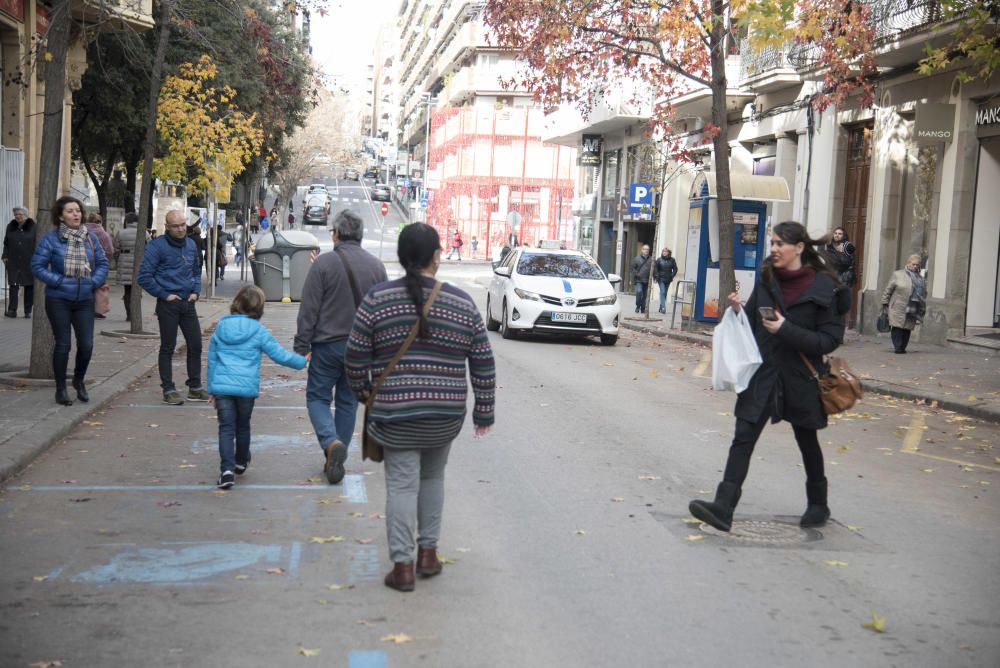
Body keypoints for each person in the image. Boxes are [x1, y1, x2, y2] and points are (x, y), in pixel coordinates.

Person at [346, 223, 496, 592]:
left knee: (401, 485)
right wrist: (484, 412)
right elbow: (483, 360)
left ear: (401, 257)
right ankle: (428, 553)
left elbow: (353, 356)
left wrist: (366, 394)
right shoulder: (462, 303)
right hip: (444, 415)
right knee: (433, 477)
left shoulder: (378, 300)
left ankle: (403, 567)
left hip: (395, 414)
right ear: (436, 257)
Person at [689, 221, 845, 532]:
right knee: (743, 437)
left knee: (807, 439)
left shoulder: (825, 288)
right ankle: (723, 507)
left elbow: (829, 341)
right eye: (772, 243)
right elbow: (750, 322)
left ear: (799, 248)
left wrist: (787, 330)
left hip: (801, 377)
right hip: (764, 373)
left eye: (779, 244)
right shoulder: (766, 279)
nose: (773, 249)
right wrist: (736, 311)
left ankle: (818, 504)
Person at [295, 210, 387, 484]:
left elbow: (309, 308)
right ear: (359, 235)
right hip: (361, 349)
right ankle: (337, 456)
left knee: (318, 398)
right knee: (348, 402)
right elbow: (383, 312)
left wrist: (302, 345)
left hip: (327, 346)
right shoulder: (376, 267)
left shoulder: (323, 264)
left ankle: (330, 442)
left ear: (336, 234)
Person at [208, 285, 307, 489]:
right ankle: (241, 461)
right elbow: (279, 355)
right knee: (243, 426)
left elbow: (212, 361)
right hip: (246, 389)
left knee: (226, 429)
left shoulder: (221, 328)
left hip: (223, 388)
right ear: (259, 308)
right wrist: (302, 361)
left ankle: (226, 471)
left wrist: (212, 389)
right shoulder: (259, 331)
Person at [30, 196, 108, 406]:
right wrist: (57, 281)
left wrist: (93, 282)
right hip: (59, 299)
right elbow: (37, 266)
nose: (76, 214)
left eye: (78, 210)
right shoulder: (51, 239)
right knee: (63, 344)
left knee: (87, 345)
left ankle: (79, 380)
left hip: (84, 299)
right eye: (70, 211)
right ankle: (61, 388)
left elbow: (102, 263)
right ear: (60, 216)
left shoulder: (90, 238)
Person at [138, 209, 210, 405]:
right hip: (168, 304)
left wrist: (196, 291)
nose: (180, 229)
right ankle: (168, 389)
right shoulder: (156, 246)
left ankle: (195, 387)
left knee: (195, 344)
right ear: (167, 227)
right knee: (168, 347)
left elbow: (196, 271)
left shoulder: (191, 244)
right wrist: (165, 295)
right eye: (176, 226)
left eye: (183, 225)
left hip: (188, 303)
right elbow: (144, 277)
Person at [880, 254, 925, 354]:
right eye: (913, 264)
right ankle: (898, 347)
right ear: (908, 263)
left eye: (917, 265)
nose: (915, 267)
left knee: (907, 327)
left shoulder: (920, 279)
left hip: (912, 306)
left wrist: (922, 308)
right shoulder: (898, 274)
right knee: (897, 326)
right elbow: (888, 289)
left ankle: (903, 346)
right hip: (898, 305)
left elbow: (922, 295)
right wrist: (884, 302)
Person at [3, 207, 36, 318]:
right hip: (13, 260)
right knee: (13, 284)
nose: (17, 216)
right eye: (16, 214)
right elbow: (6, 243)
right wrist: (5, 256)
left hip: (29, 260)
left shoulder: (33, 227)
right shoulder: (10, 227)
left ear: (26, 215)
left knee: (29, 285)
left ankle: (27, 310)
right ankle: (12, 310)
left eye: (20, 214)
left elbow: (37, 243)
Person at [84, 213, 115, 319]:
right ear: (100, 221)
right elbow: (110, 251)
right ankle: (98, 310)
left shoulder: (82, 231)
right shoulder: (104, 234)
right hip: (100, 265)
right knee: (99, 287)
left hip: (85, 263)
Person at [114, 212, 139, 321]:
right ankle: (136, 313)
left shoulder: (120, 233)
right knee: (137, 290)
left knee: (127, 290)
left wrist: (118, 260)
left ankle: (129, 314)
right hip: (139, 263)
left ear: (127, 221)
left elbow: (116, 249)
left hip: (124, 262)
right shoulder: (144, 233)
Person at [654, 247, 678, 314]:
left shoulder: (672, 260)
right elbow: (655, 269)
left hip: (668, 279)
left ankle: (661, 306)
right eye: (663, 251)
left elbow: (675, 269)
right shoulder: (659, 260)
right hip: (660, 278)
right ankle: (664, 307)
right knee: (662, 292)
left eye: (665, 251)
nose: (664, 252)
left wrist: (672, 275)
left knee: (665, 293)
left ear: (668, 253)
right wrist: (656, 277)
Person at [630, 244, 653, 313]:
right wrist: (637, 275)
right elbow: (632, 269)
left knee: (645, 295)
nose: (646, 251)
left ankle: (643, 308)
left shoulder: (651, 259)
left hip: (647, 280)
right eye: (645, 249)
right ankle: (638, 305)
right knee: (639, 292)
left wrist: (655, 277)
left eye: (647, 249)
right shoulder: (636, 259)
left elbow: (654, 269)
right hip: (639, 280)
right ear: (642, 250)